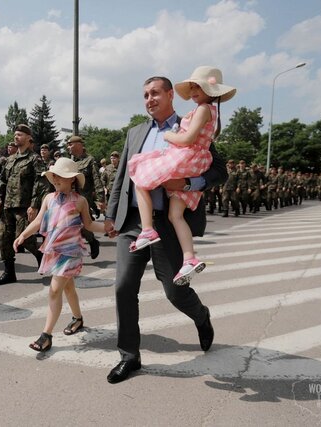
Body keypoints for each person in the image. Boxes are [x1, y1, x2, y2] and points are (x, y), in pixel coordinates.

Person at [103, 74, 227, 384]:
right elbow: (122, 177)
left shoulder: (190, 124)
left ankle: (201, 315)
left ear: (171, 95)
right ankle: (129, 356)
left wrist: (189, 183)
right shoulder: (135, 133)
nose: (149, 99)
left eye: (155, 93)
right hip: (134, 222)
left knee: (175, 292)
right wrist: (110, 215)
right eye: (145, 94)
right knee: (123, 287)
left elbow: (218, 170)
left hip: (169, 222)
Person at [127, 66, 235, 286]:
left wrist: (169, 135)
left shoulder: (203, 109)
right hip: (191, 161)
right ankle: (190, 258)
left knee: (140, 175)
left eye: (199, 86)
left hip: (185, 158)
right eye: (192, 86)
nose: (194, 90)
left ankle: (147, 230)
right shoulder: (208, 112)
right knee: (175, 215)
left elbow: (187, 141)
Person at [13, 158, 103, 352]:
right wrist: (22, 235)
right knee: (68, 288)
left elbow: (88, 225)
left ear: (72, 180)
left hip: (71, 252)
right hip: (54, 250)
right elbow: (38, 221)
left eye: (60, 177)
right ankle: (78, 319)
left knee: (54, 290)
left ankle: (46, 335)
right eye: (54, 177)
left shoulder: (80, 201)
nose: (56, 180)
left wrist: (108, 228)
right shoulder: (48, 198)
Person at [0, 124, 47, 286]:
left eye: (20, 135)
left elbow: (41, 183)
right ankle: (9, 273)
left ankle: (40, 256)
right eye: (15, 134)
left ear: (28, 138)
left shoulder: (34, 159)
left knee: (25, 240)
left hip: (24, 206)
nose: (16, 137)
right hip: (8, 206)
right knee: (3, 237)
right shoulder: (9, 160)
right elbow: (3, 181)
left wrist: (35, 205)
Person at [67, 136, 104, 258]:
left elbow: (96, 179)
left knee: (85, 226)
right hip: (70, 199)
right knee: (71, 226)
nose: (68, 147)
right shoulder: (71, 162)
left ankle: (93, 241)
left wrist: (100, 199)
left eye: (70, 144)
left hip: (84, 200)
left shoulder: (89, 160)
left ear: (79, 145)